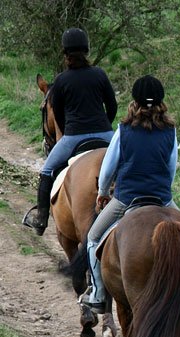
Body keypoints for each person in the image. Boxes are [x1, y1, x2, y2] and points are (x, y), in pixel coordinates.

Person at [79, 75, 179, 313]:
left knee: (93, 238)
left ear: (134, 101)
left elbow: (108, 169)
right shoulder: (170, 131)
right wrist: (164, 191)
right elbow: (171, 166)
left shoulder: (123, 131)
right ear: (162, 102)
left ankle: (97, 293)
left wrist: (103, 192)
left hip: (126, 199)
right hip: (162, 198)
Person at [26, 27, 117, 235]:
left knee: (46, 171)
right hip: (105, 134)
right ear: (86, 51)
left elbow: (57, 113)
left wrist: (69, 131)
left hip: (73, 137)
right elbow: (112, 105)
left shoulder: (61, 80)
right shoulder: (100, 74)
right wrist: (104, 125)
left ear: (65, 53)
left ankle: (41, 218)